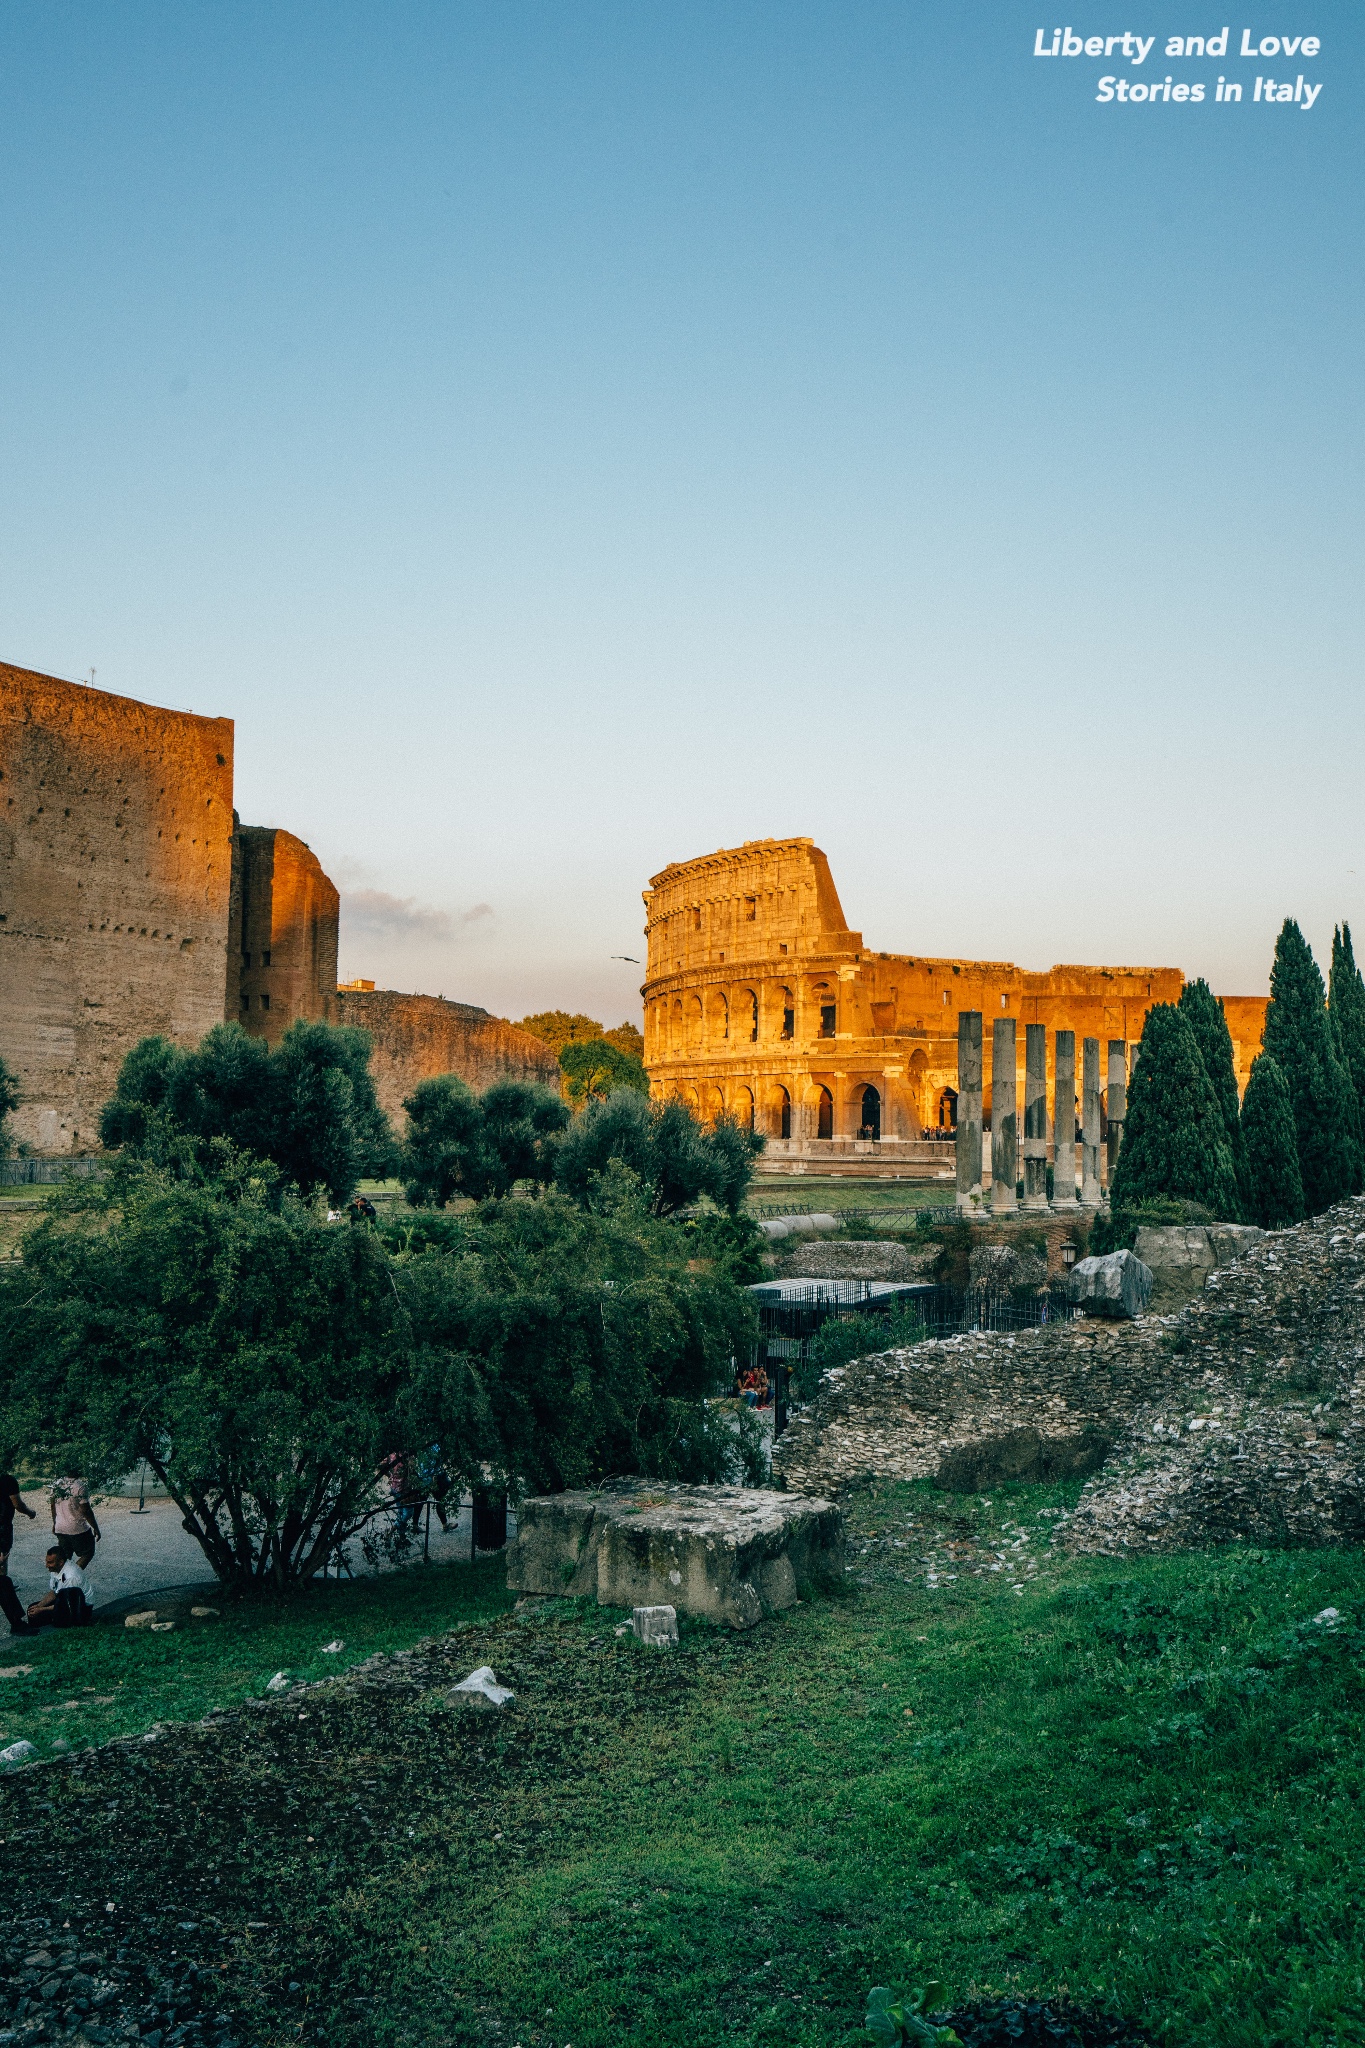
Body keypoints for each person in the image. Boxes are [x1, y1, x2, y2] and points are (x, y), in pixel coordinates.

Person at [0, 1470, 38, 1636]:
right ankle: (16, 1623)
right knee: (2, 1580)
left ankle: (16, 1622)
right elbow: (17, 1504)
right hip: (2, 1530)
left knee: (3, 1579)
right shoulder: (7, 1480)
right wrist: (30, 1512)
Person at [27, 1546, 94, 1629]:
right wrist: (39, 1605)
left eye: (50, 1562)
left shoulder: (70, 1577)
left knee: (40, 1613)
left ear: (61, 1562)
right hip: (64, 1601)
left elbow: (67, 1605)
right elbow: (54, 1592)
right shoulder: (56, 1569)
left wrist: (42, 1609)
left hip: (80, 1608)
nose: (47, 1565)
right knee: (32, 1608)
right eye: (47, 1562)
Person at [51, 1475, 100, 1566]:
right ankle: (73, 1572)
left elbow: (53, 1506)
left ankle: (63, 1574)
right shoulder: (80, 1486)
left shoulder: (57, 1484)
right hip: (76, 1528)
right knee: (88, 1552)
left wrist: (55, 1523)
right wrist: (95, 1527)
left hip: (60, 1527)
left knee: (65, 1557)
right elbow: (86, 1510)